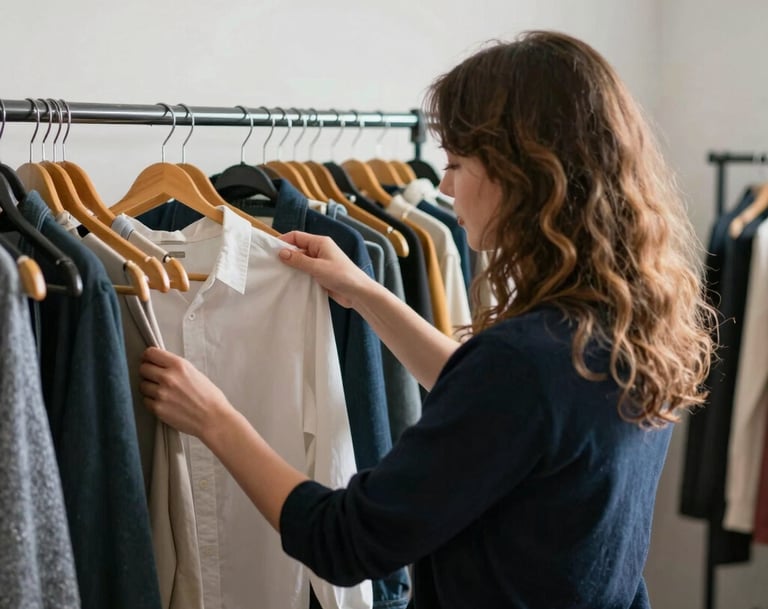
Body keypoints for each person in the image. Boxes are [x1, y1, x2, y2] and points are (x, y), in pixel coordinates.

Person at [139, 30, 716, 609]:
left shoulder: (525, 362)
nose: (443, 186)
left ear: (524, 176)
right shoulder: (626, 322)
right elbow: (504, 414)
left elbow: (343, 541)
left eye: (458, 164)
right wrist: (366, 293)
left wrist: (215, 418)